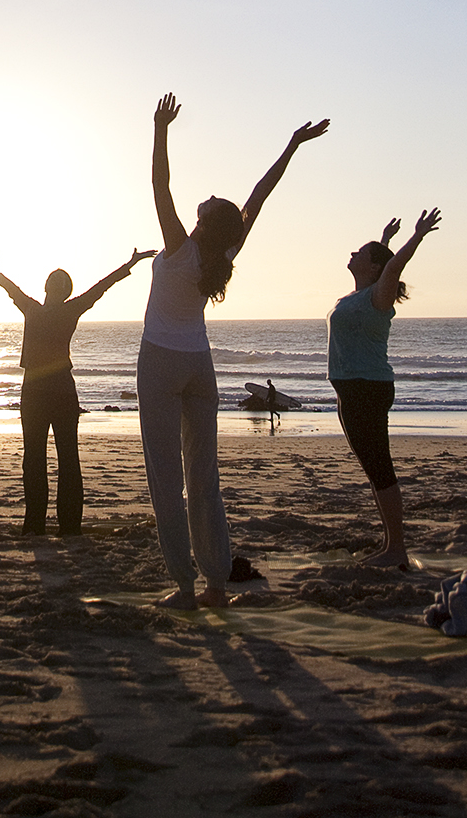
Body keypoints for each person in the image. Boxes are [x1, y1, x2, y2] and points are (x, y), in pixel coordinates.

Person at [140, 91, 329, 610]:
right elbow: (259, 196)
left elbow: (161, 185)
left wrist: (160, 130)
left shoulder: (182, 244)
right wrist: (292, 145)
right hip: (199, 365)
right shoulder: (225, 249)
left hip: (160, 359)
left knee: (165, 475)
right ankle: (217, 585)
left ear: (205, 219)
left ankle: (182, 587)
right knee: (204, 478)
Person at [0, 248, 155, 536]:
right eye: (54, 282)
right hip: (47, 390)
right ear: (49, 288)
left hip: (49, 389)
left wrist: (129, 264)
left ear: (59, 291)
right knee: (39, 458)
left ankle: (61, 525)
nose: (54, 287)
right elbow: (13, 290)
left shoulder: (53, 308)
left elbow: (100, 287)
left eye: (58, 284)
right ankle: (41, 525)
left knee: (59, 458)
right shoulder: (38, 307)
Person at [328, 208, 442, 568]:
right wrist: (385, 240)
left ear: (374, 268)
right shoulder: (361, 294)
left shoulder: (380, 296)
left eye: (360, 253)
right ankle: (391, 545)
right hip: (350, 391)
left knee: (380, 468)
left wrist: (417, 236)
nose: (352, 255)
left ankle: (397, 550)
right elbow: (384, 263)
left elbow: (391, 267)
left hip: (367, 389)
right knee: (374, 469)